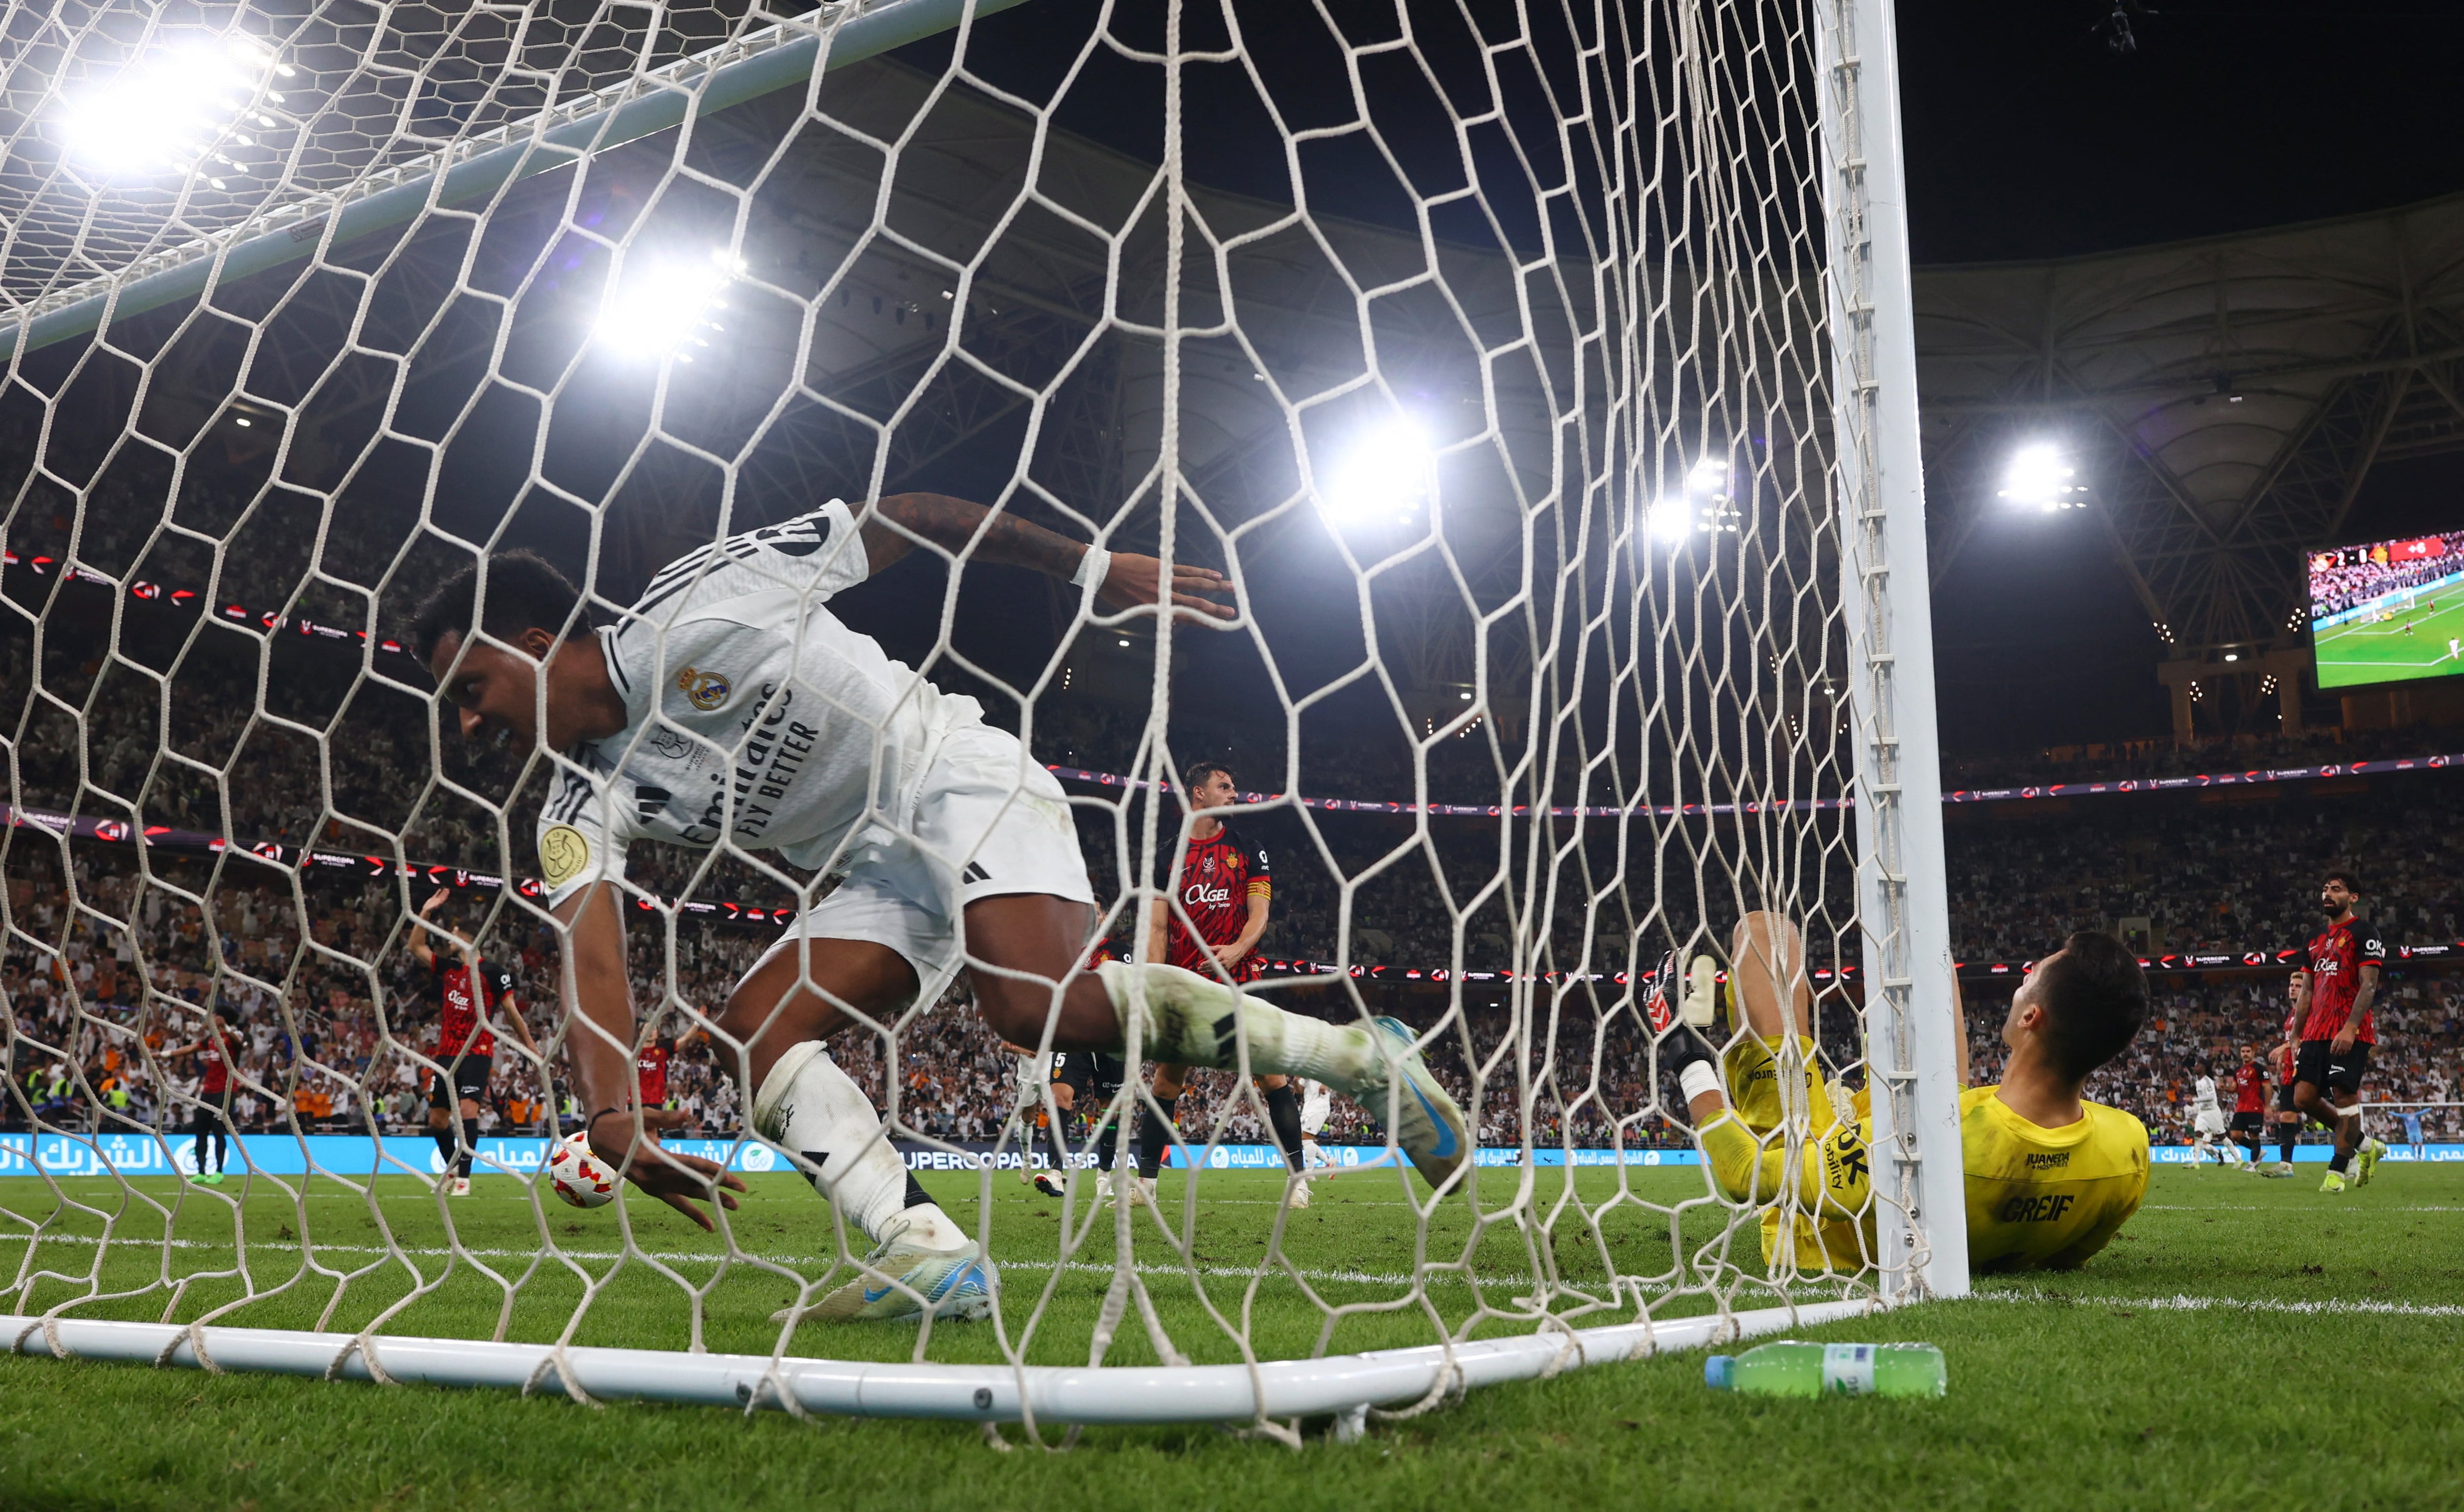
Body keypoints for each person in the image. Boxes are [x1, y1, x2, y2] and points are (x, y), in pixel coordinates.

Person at [410, 494, 1469, 1323]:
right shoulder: (575, 803)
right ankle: (924, 1247)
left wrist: (1094, 568)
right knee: (751, 1038)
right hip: (875, 868)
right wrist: (609, 1116)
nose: (466, 727)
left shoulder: (707, 602)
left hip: (951, 770)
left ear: (537, 640)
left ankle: (1362, 1059)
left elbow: (910, 516)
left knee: (1030, 1008)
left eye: (468, 689)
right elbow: (590, 957)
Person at [1677, 914, 2150, 1275]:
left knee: (1767, 931)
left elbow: (1742, 1172)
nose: (2019, 986)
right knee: (1926, 941)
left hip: (1821, 1216)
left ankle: (1684, 1019)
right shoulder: (2127, 1149)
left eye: (2029, 979)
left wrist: (1683, 1059)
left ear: (2031, 1018)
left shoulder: (1931, 1142)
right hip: (1938, 1149)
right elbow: (2065, 1257)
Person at [1131, 762, 1308, 1207]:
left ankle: (1298, 1181)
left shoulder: (1249, 847)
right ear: (1198, 793)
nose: (1234, 793)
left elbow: (1259, 915)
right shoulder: (1164, 855)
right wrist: (1155, 981)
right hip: (1185, 981)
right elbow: (1155, 928)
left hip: (1239, 978)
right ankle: (1146, 1185)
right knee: (1166, 1082)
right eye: (1224, 786)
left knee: (1270, 1075)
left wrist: (1237, 948)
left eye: (1234, 786)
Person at [408, 888, 539, 1197]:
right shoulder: (451, 969)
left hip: (477, 1051)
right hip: (446, 1055)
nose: (448, 939)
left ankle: (464, 1179)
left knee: (468, 1110)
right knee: (437, 1120)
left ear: (465, 938)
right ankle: (453, 1166)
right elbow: (415, 946)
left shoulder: (493, 972)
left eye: (452, 935)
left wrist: (531, 1046)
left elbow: (510, 1012)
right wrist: (425, 912)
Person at [2286, 871, 2390, 1194]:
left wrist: (2350, 1027)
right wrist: (2296, 1033)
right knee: (2303, 1097)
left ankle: (2337, 1171)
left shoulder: (2364, 932)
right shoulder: (2313, 938)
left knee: (2343, 1094)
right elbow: (2307, 991)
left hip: (2349, 1029)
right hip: (2316, 1029)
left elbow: (2369, 984)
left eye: (2336, 889)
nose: (2327, 894)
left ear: (2353, 897)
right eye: (2325, 888)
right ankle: (2367, 1144)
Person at [164, 1013, 236, 1185]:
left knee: (219, 1130)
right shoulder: (209, 1041)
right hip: (208, 1091)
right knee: (200, 1130)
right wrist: (164, 1054)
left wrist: (225, 1027)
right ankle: (201, 1172)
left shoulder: (232, 1039)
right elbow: (189, 1049)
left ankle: (219, 1172)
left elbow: (241, 1044)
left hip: (225, 1091)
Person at [2228, 1044, 2269, 1170]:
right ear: (2240, 1054)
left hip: (2255, 1107)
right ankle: (2258, 1151)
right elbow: (2234, 1088)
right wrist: (2224, 1088)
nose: (2245, 1054)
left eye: (2248, 1051)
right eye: (2243, 1051)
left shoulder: (2259, 1068)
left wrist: (2267, 1106)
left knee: (2253, 1135)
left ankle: (2252, 1163)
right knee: (2235, 1135)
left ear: (2253, 1053)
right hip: (2241, 1108)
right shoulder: (2238, 1070)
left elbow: (2267, 1087)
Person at [2266, 1039, 2301, 1176]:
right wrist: (2284, 1055)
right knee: (2286, 1116)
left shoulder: (2311, 1017)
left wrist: (2284, 1047)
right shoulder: (2291, 1019)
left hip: (2309, 1068)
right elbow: (2291, 1038)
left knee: (2323, 1110)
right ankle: (2286, 1166)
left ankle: (2356, 1149)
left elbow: (2310, 1038)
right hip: (2290, 1074)